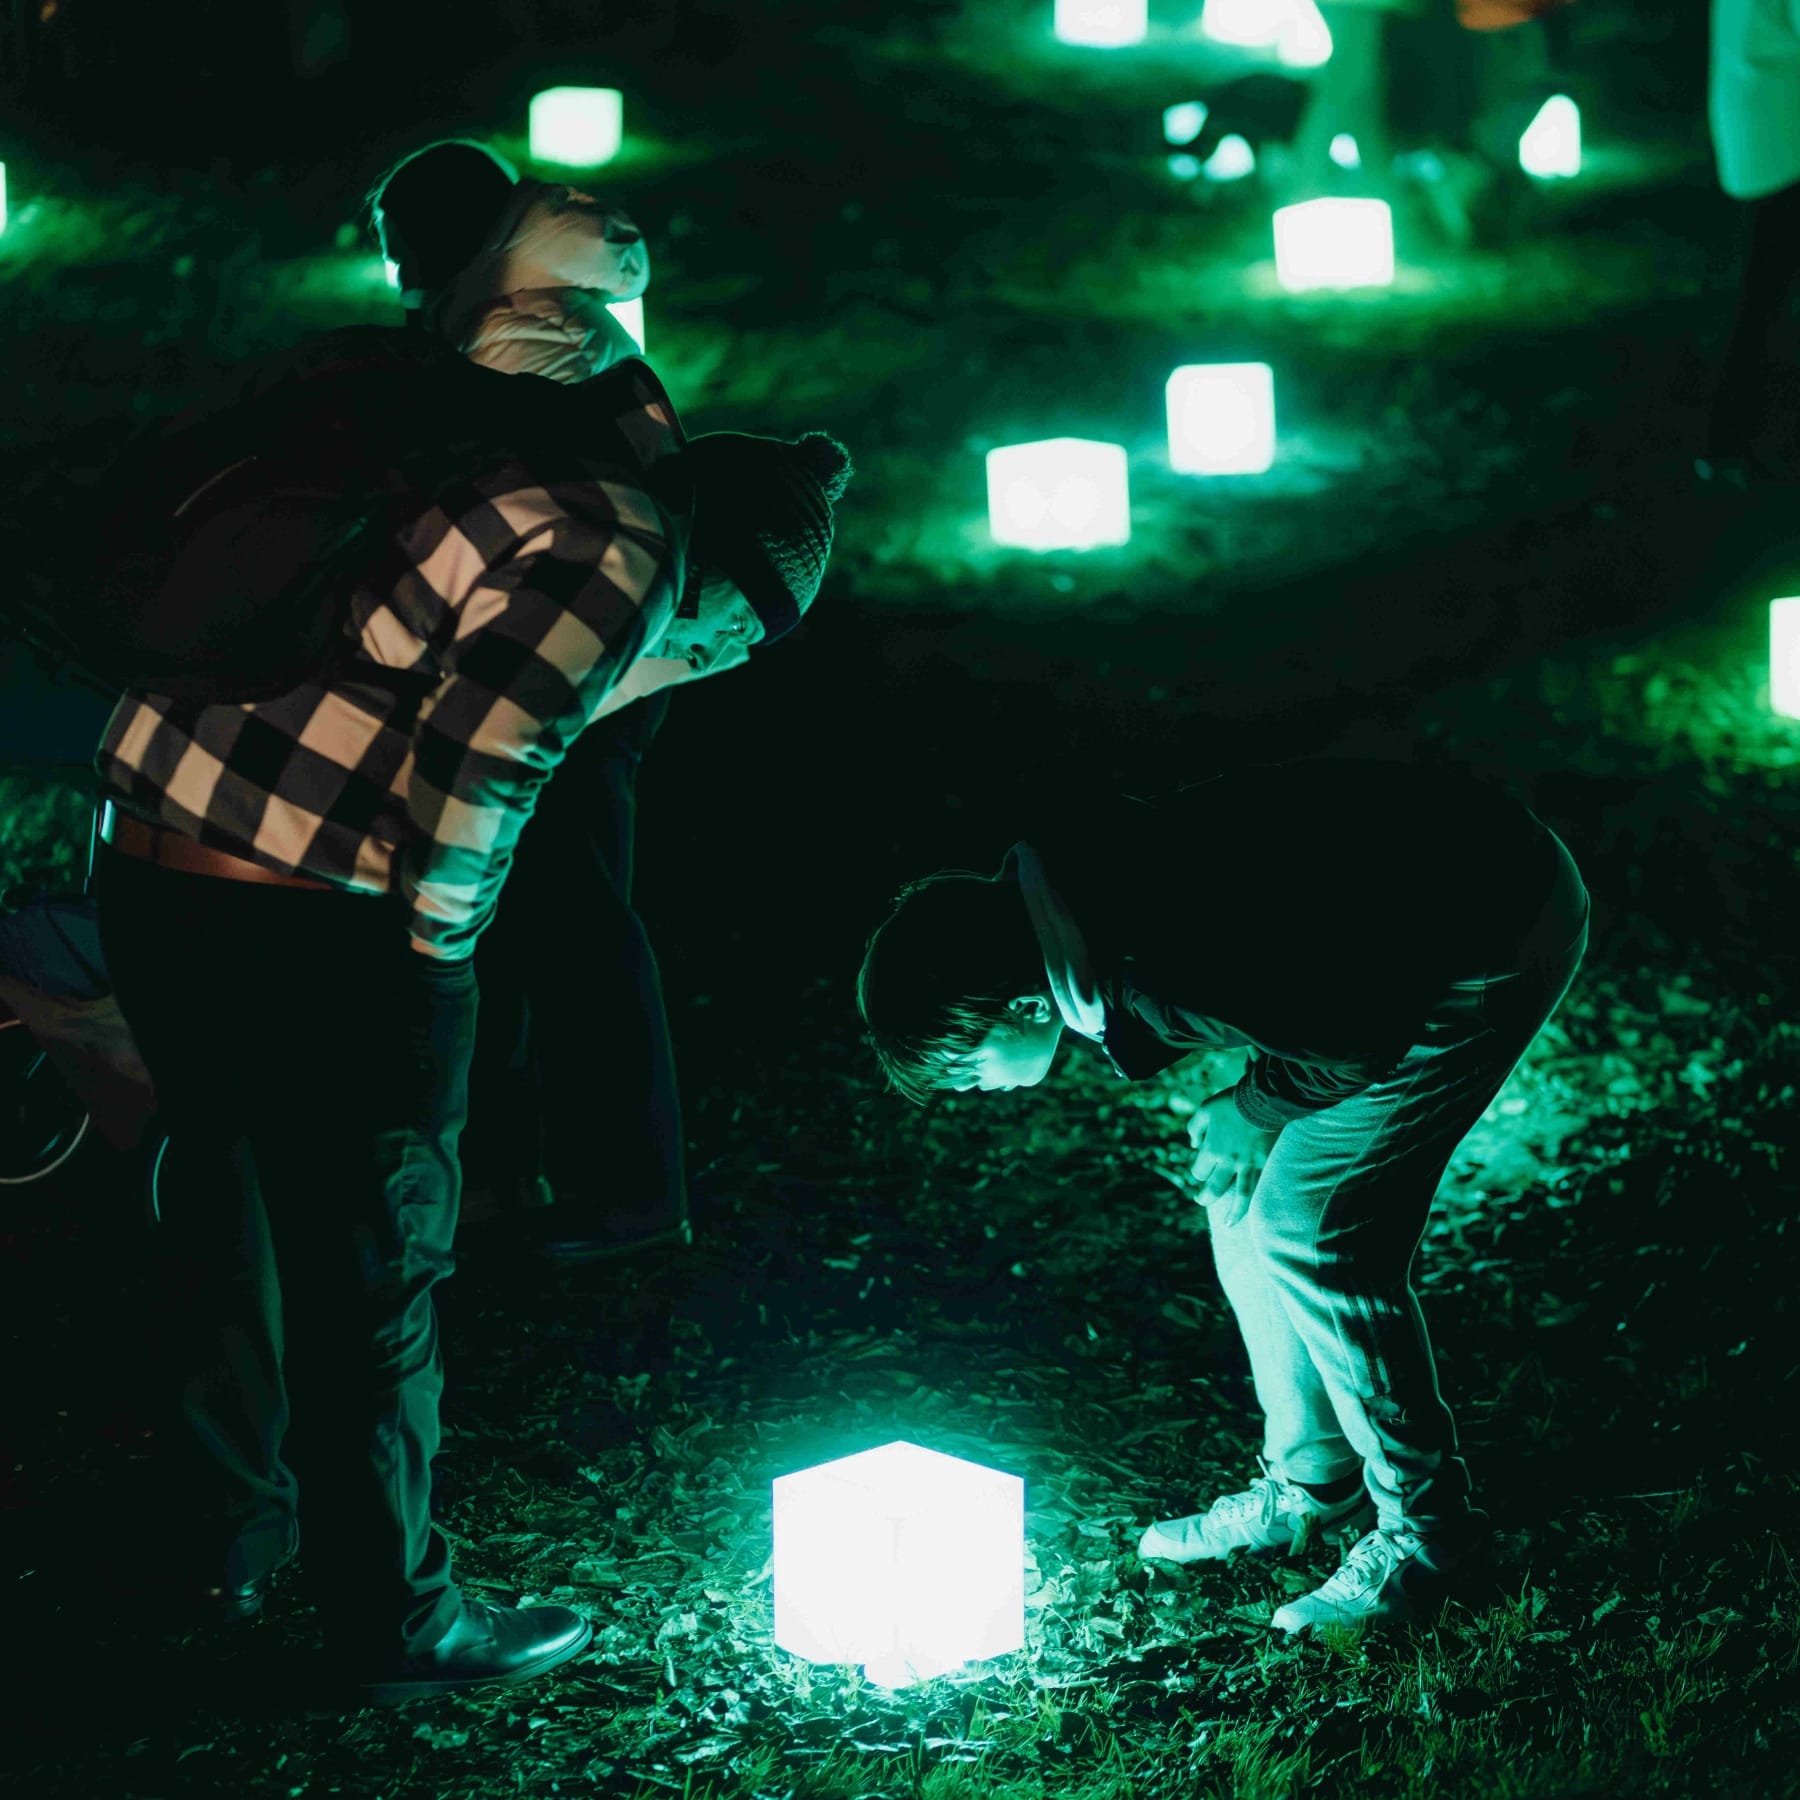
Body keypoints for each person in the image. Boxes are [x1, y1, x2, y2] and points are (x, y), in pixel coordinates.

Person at [91, 266, 851, 1700]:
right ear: (731, 604)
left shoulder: (513, 471)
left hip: (153, 850)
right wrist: (440, 977)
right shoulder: (620, 553)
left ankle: (238, 1533)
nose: (703, 673)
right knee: (376, 1256)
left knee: (226, 1191)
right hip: (306, 913)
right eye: (734, 646)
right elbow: (477, 787)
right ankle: (397, 1618)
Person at [857, 759, 1588, 1633]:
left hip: (1486, 929)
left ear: (1021, 1005)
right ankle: (1312, 1480)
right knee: (1239, 1195)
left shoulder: (1150, 965)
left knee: (1312, 1229)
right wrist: (1252, 1112)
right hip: (1399, 926)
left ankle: (1431, 1536)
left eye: (965, 1068)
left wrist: (1251, 1105)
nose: (971, 1090)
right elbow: (1292, 972)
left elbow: (1358, 1034)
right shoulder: (1068, 902)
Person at [370, 140, 803, 1261]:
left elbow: (489, 506)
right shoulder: (544, 307)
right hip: (604, 648)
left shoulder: (512, 340)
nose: (397, 283)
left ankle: (626, 1193)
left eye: (397, 256)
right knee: (544, 925)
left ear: (433, 248)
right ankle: (534, 1176)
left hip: (579, 660)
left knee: (573, 930)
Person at [1702, 0, 1800, 480]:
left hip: (1755, 137)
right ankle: (1728, 443)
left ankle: (1728, 442)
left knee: (1760, 297)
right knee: (1762, 302)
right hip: (1787, 147)